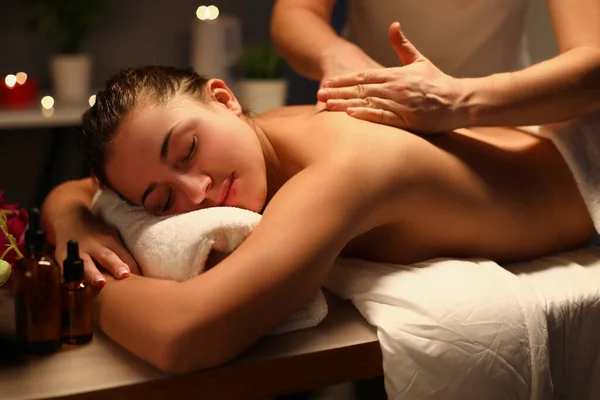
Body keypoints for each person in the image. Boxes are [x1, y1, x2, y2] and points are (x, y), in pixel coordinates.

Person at [42, 65, 593, 372]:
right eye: (161, 202)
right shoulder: (262, 133)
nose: (197, 191)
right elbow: (78, 189)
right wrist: (74, 223)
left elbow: (182, 337)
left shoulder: (345, 169)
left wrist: (81, 279)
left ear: (225, 98)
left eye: (187, 150)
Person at [270, 0, 600, 133]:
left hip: (503, 116)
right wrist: (335, 54)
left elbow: (593, 61)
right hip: (371, 115)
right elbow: (296, 14)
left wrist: (459, 100)